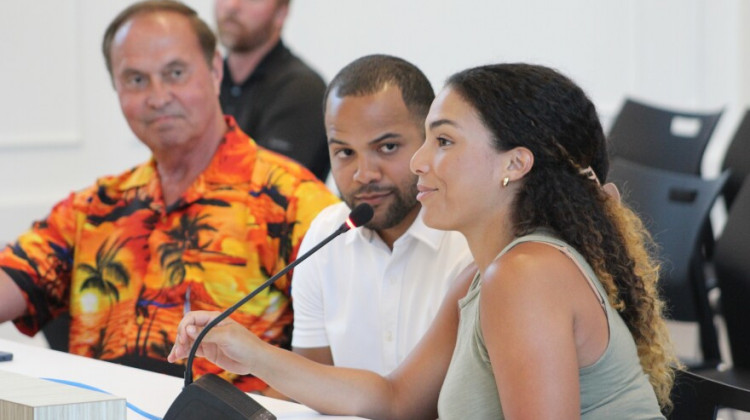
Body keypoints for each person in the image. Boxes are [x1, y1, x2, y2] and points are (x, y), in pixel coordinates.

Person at [169, 63, 680, 418]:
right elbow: (393, 399)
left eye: (443, 141)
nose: (419, 163)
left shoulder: (524, 276)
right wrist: (251, 353)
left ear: (514, 164)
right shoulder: (483, 275)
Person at [0, 0, 338, 394]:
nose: (158, 97)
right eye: (136, 80)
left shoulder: (291, 201)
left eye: (175, 73)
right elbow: (13, 277)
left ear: (215, 71)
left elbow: (347, 361)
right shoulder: (94, 208)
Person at [290, 55, 473, 375]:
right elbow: (312, 389)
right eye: (345, 152)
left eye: (387, 147)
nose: (364, 174)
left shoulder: (472, 241)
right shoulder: (324, 237)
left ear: (432, 141)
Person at [215, 0, 330, 181]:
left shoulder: (302, 90)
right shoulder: (204, 82)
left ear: (281, 14)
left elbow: (269, 190)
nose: (232, 6)